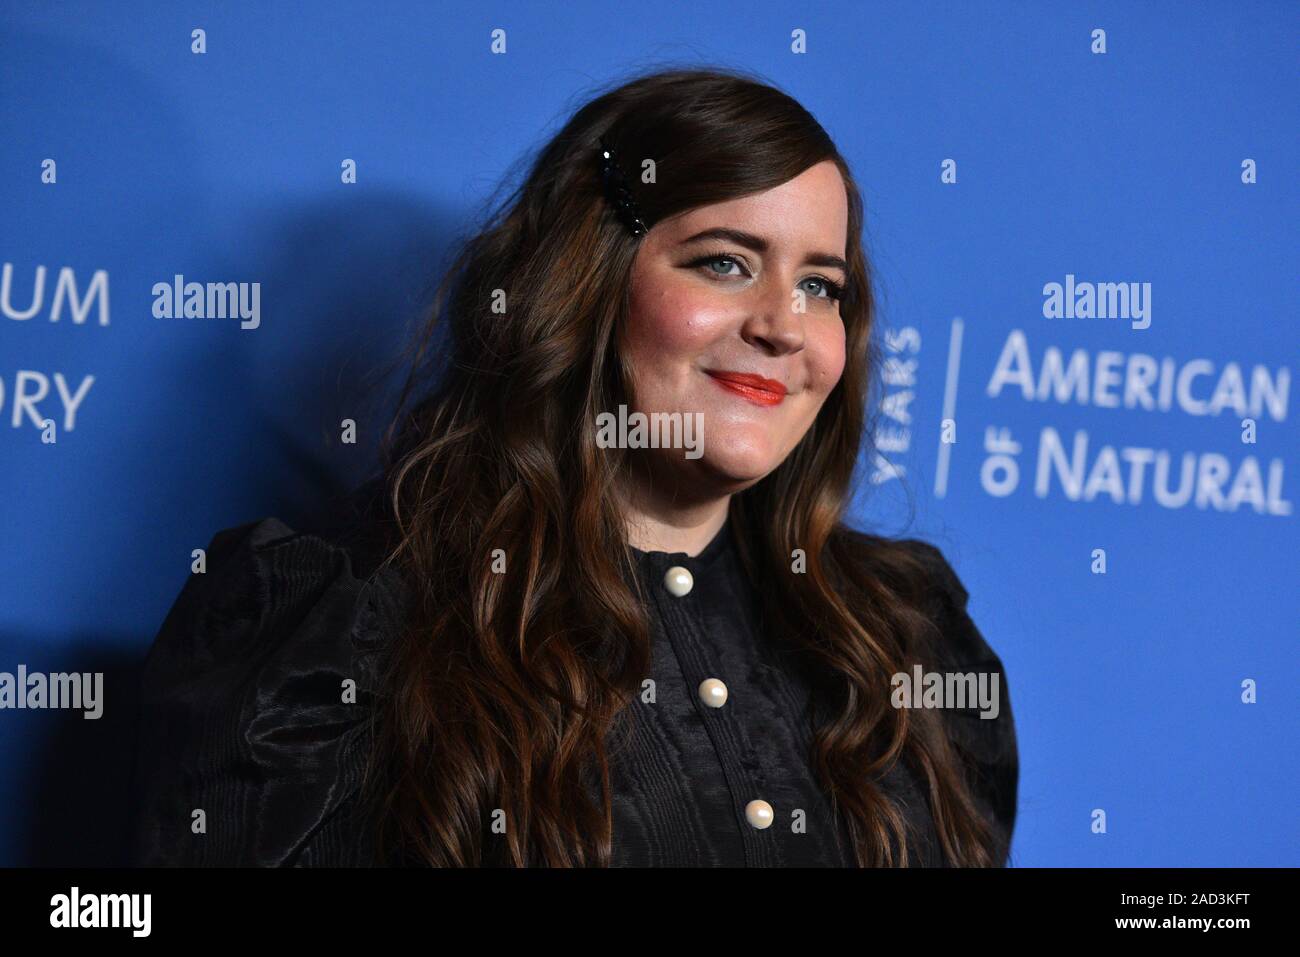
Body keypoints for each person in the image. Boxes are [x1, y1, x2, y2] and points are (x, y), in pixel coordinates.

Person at [130, 67, 1018, 868]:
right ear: (590, 279)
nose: (782, 324)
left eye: (820, 284)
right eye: (724, 262)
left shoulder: (901, 634)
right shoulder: (352, 617)